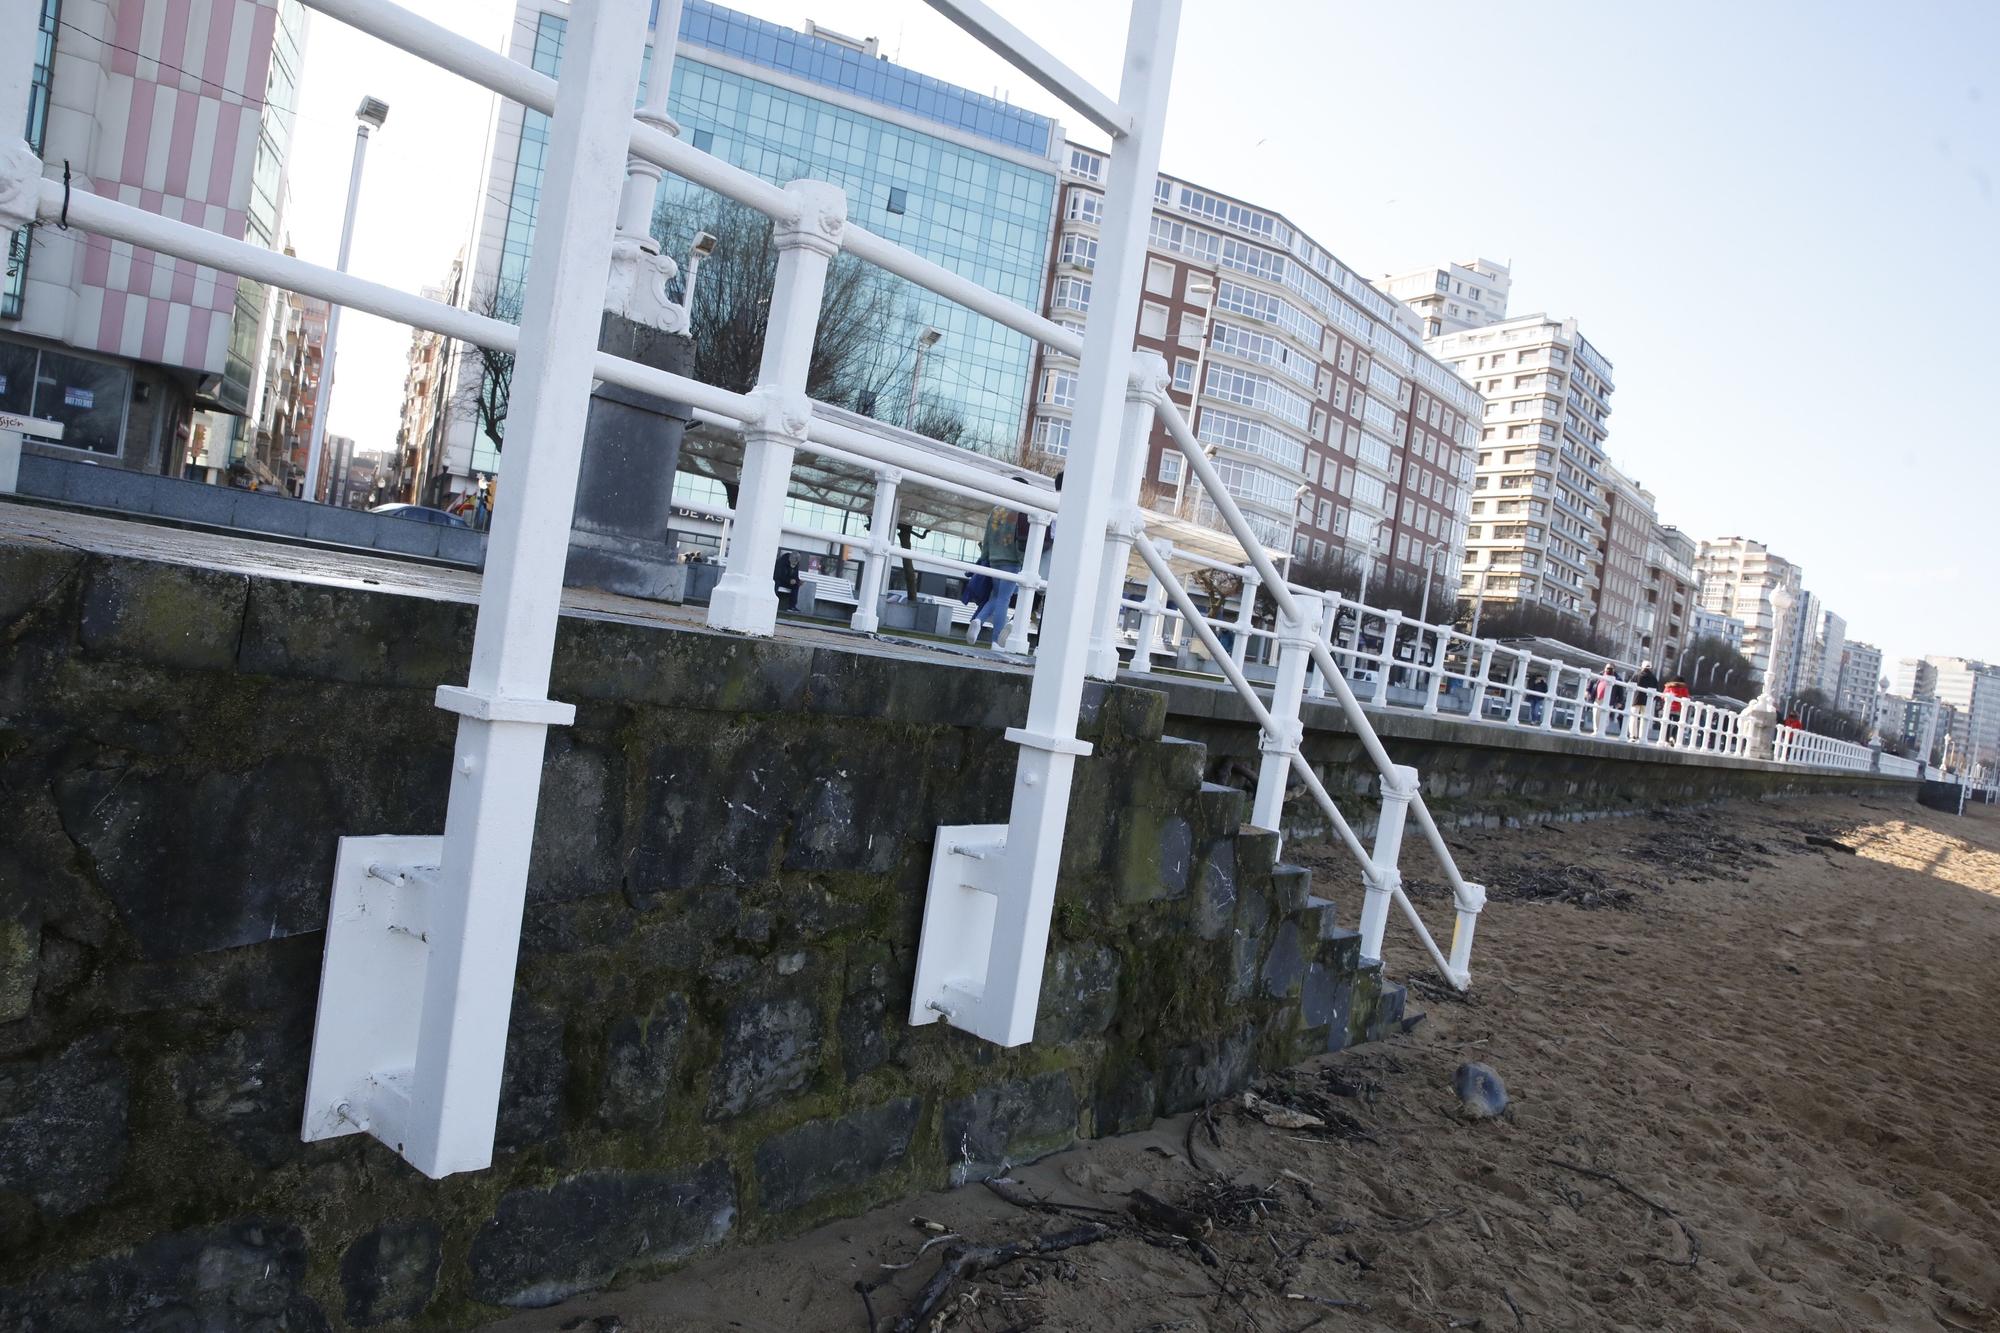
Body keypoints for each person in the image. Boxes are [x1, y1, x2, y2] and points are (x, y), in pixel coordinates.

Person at [967, 485, 1029, 647]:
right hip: (1012, 560)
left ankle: (979, 620)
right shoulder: (1019, 510)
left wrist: (984, 557)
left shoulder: (996, 510)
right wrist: (1023, 560)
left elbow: (987, 536)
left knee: (995, 596)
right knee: (1003, 599)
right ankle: (996, 641)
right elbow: (1019, 539)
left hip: (994, 559)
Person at [1662, 673, 1691, 743]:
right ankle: (1672, 737)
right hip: (1678, 709)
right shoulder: (1683, 688)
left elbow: (1663, 697)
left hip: (1667, 708)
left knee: (1666, 724)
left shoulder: (1668, 687)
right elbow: (1687, 698)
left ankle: (1666, 739)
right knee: (1676, 724)